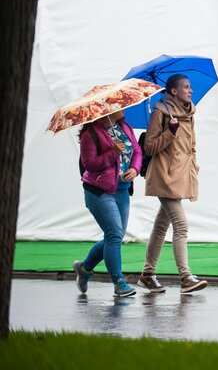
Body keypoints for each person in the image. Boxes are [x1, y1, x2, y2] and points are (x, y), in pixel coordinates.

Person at [138, 73, 208, 293]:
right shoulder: (160, 112)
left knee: (161, 227)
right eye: (186, 87)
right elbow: (149, 147)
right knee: (181, 225)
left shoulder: (189, 113)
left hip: (181, 175)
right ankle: (186, 277)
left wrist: (193, 165)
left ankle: (147, 275)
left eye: (190, 87)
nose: (191, 90)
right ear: (174, 91)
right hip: (164, 176)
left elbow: (191, 146)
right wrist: (170, 132)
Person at [73, 110, 141, 297]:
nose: (124, 108)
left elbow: (136, 150)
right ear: (106, 110)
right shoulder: (90, 134)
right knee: (113, 235)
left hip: (122, 189)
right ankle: (119, 282)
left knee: (115, 236)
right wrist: (113, 153)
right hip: (99, 191)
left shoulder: (125, 127)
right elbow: (90, 165)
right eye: (118, 105)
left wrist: (135, 168)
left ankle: (84, 269)